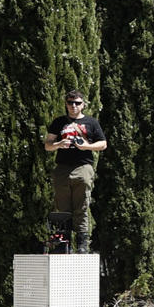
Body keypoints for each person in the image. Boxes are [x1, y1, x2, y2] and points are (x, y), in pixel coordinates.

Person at [42, 89, 106, 252]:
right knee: (62, 207)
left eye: (77, 103)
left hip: (83, 166)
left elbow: (103, 144)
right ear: (66, 104)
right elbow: (47, 144)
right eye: (70, 103)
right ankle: (64, 243)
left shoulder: (91, 122)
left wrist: (86, 146)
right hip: (62, 168)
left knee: (81, 205)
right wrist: (58, 144)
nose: (73, 106)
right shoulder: (59, 122)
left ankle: (82, 242)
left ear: (83, 104)